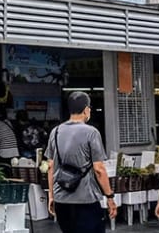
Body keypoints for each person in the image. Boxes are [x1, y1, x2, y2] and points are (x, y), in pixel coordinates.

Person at [45, 91, 117, 233]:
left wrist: (51, 196)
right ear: (86, 109)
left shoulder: (56, 131)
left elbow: (50, 166)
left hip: (62, 201)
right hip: (86, 201)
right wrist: (110, 197)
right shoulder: (91, 132)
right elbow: (99, 169)